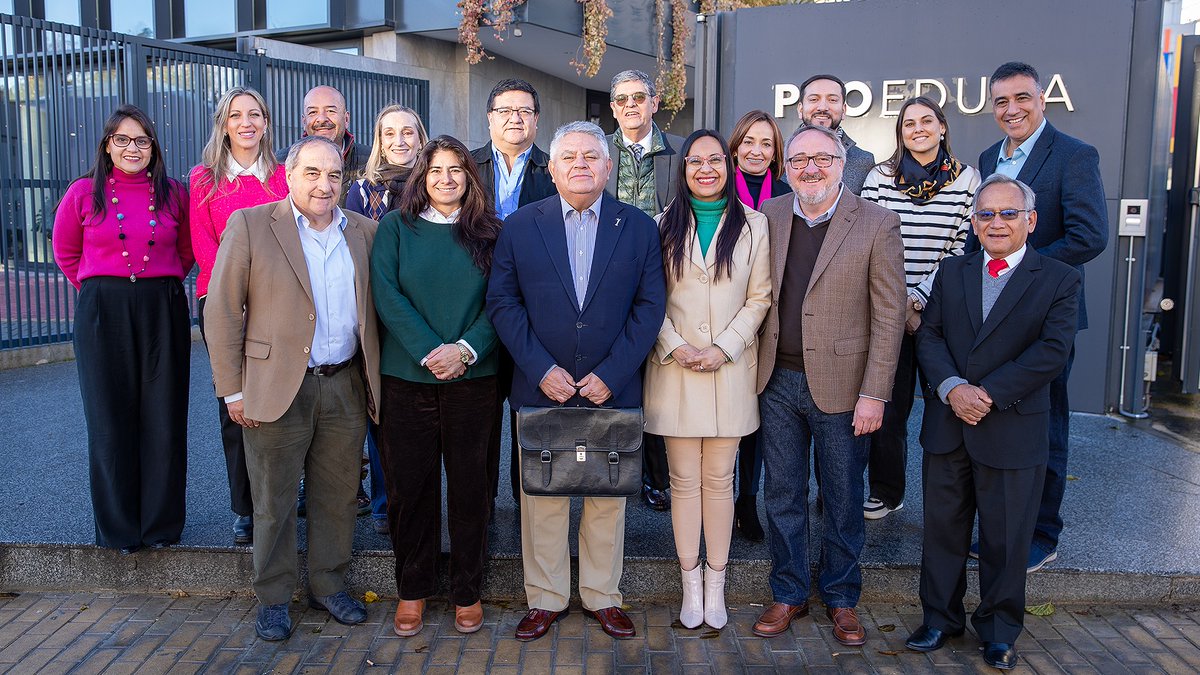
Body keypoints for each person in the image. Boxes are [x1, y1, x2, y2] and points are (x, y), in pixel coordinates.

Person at [486, 121, 666, 642]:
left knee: (607, 498)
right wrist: (541, 368)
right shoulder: (520, 226)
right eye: (571, 157)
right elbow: (503, 302)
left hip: (613, 387)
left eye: (592, 156)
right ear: (553, 167)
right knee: (543, 497)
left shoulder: (638, 227)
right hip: (541, 386)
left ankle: (603, 597)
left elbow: (649, 305)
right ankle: (545, 599)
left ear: (609, 167)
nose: (582, 164)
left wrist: (612, 374)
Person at [204, 136, 381, 641]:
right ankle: (275, 598)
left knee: (338, 495)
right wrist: (232, 391)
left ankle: (328, 584)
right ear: (289, 174)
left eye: (333, 175)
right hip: (275, 384)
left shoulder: (364, 232)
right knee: (274, 499)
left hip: (344, 383)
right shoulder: (253, 225)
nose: (324, 185)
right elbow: (221, 312)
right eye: (312, 173)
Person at [908, 174, 1080, 670]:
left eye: (1008, 214)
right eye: (986, 214)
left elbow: (1052, 352)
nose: (996, 222)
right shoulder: (951, 272)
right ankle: (939, 620)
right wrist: (952, 389)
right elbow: (930, 337)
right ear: (974, 221)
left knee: (1006, 540)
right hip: (948, 423)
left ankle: (1000, 631)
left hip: (1011, 426)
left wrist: (986, 393)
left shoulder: (1058, 278)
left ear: (1031, 220)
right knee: (943, 532)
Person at [751, 125, 905, 644]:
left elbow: (889, 315)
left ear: (842, 163)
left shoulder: (877, 222)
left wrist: (875, 392)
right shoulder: (768, 215)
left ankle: (841, 597)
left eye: (822, 159)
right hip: (776, 381)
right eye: (799, 160)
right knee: (783, 494)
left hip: (845, 388)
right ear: (786, 167)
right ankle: (788, 591)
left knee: (842, 497)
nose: (810, 168)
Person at [969, 62, 1107, 574]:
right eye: (1001, 101)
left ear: (1041, 99)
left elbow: (1089, 236)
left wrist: (1023, 273)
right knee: (997, 420)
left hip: (1046, 316)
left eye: (1021, 98)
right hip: (990, 313)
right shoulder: (989, 157)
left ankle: (1041, 534)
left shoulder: (1073, 156)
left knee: (1044, 425)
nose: (1012, 110)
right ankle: (998, 528)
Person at [373, 135, 502, 637]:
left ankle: (467, 590)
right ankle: (413, 589)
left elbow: (503, 302)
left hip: (474, 379)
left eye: (456, 170)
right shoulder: (395, 229)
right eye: (435, 170)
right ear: (420, 178)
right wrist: (431, 351)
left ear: (471, 177)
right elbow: (387, 295)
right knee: (411, 489)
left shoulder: (492, 233)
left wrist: (465, 350)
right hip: (408, 378)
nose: (445, 179)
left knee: (472, 489)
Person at [643, 130, 771, 629]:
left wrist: (724, 347)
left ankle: (716, 584)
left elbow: (760, 298)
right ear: (683, 168)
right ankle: (689, 584)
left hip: (729, 370)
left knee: (720, 482)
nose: (705, 169)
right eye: (695, 161)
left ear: (729, 163)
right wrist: (677, 345)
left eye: (715, 160)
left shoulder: (756, 225)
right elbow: (648, 298)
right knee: (682, 483)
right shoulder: (659, 225)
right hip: (676, 370)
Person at [52, 104, 193, 555]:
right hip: (102, 312)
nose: (133, 149)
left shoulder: (174, 193)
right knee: (109, 419)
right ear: (107, 146)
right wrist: (101, 288)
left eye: (142, 140)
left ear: (154, 147)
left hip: (161, 308)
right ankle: (117, 530)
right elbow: (66, 252)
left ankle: (160, 527)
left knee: (163, 417)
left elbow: (187, 250)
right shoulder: (82, 193)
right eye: (123, 140)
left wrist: (154, 289)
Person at [859, 96, 981, 521]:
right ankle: (887, 492)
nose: (918, 129)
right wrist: (898, 304)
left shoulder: (969, 181)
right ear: (901, 132)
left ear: (943, 127)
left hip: (941, 311)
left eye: (926, 121)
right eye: (909, 123)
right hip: (885, 309)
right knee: (887, 409)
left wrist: (919, 301)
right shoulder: (879, 178)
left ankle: (945, 498)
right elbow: (869, 242)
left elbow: (962, 247)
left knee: (942, 408)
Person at [190, 86, 289, 546]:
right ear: (223, 124)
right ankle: (244, 508)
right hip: (224, 305)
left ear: (266, 123)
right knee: (235, 407)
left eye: (254, 115)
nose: (246, 123)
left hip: (276, 306)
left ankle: (282, 500)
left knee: (281, 403)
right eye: (236, 115)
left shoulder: (284, 177)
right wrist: (236, 300)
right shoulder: (203, 180)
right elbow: (203, 248)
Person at [469, 78, 557, 510]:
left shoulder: (555, 167)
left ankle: (530, 511)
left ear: (537, 121)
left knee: (529, 417)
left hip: (535, 310)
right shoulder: (465, 165)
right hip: (474, 308)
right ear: (489, 118)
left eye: (523, 111)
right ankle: (481, 509)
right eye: (504, 111)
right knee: (482, 419)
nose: (514, 119)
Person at [345, 103, 429, 535]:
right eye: (390, 133)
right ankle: (382, 504)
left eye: (408, 132)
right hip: (375, 316)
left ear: (421, 137)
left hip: (427, 318)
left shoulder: (435, 184)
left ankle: (419, 503)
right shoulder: (361, 191)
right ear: (379, 140)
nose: (399, 141)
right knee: (380, 414)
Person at [605, 68, 683, 511]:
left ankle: (658, 478)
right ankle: (613, 468)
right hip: (608, 277)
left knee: (657, 378)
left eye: (639, 97)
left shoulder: (677, 152)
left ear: (654, 102)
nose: (630, 105)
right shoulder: (598, 151)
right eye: (621, 99)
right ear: (613, 107)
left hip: (664, 276)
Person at [726, 109, 792, 542]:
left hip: (769, 320)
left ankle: (745, 502)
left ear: (776, 152)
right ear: (734, 147)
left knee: (756, 423)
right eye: (748, 141)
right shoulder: (713, 187)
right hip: (718, 318)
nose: (756, 151)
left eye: (765, 143)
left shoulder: (786, 194)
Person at [276, 85, 370, 202]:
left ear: (346, 119)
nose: (321, 118)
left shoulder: (371, 162)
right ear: (304, 121)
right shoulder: (280, 162)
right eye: (313, 112)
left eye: (331, 111)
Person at [798, 75, 875, 195]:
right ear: (800, 109)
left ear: (843, 110)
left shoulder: (864, 161)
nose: (822, 107)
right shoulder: (779, 157)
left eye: (832, 100)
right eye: (813, 99)